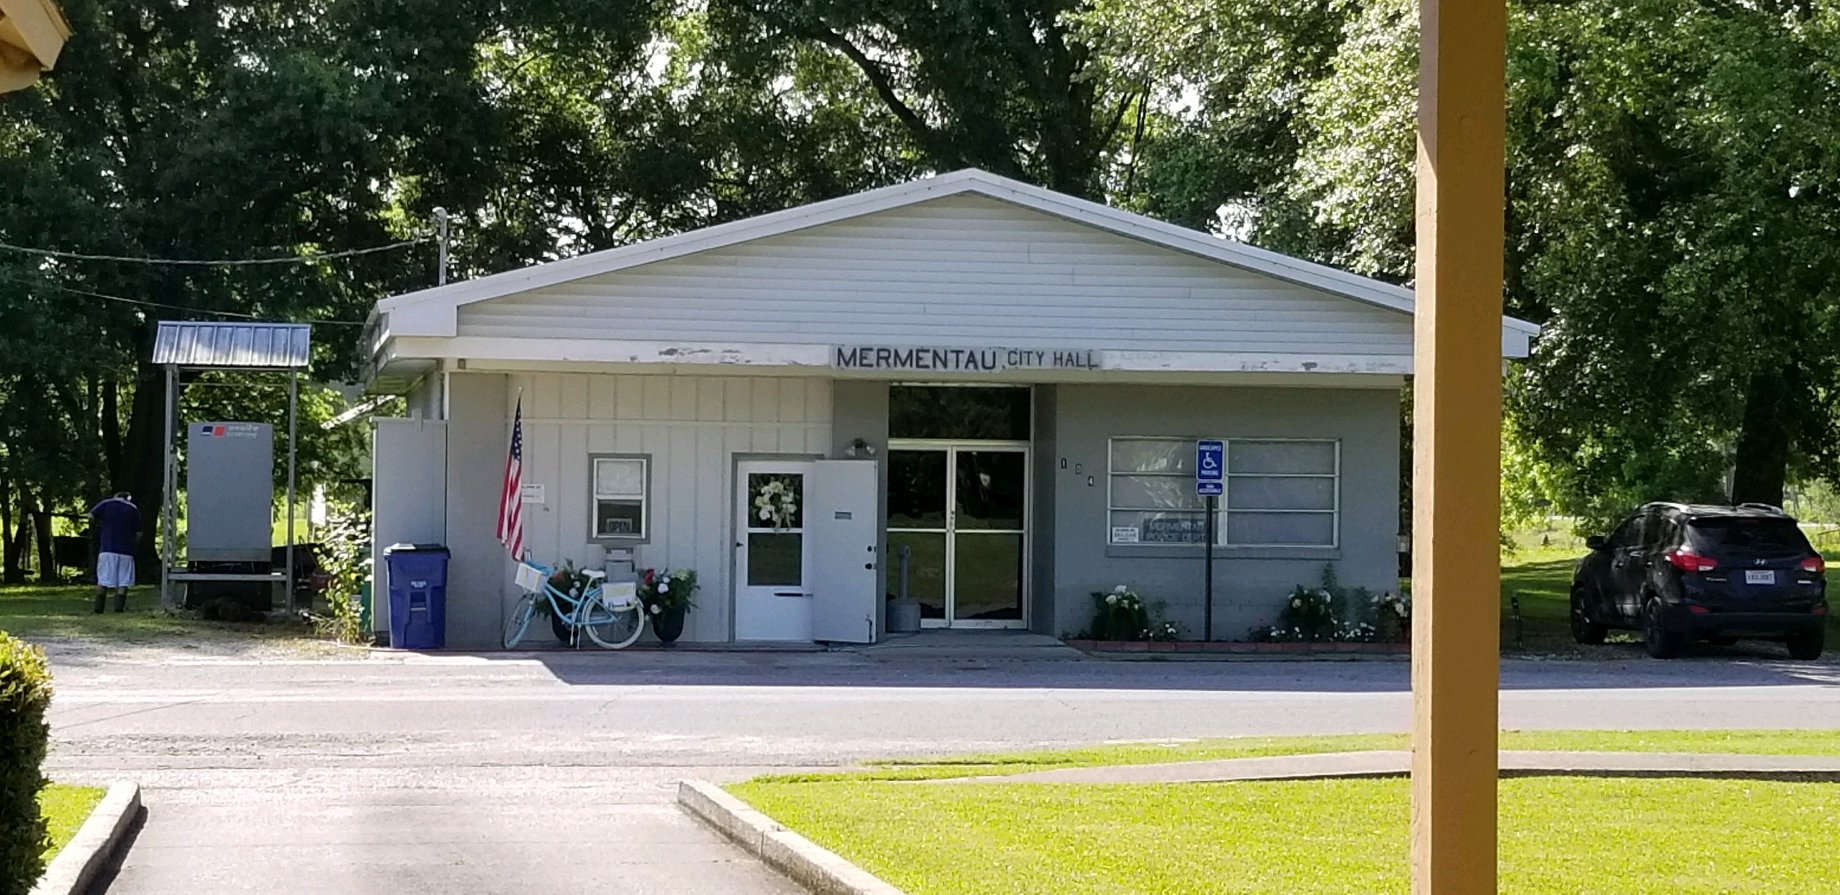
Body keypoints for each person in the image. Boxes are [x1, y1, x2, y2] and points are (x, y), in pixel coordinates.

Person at [90, 491, 140, 614]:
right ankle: (118, 608)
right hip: (126, 551)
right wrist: (133, 543)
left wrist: (98, 527)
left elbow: (91, 516)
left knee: (103, 580)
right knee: (123, 581)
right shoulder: (133, 509)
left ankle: (98, 608)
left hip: (107, 549)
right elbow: (139, 533)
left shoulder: (106, 504)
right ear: (128, 498)